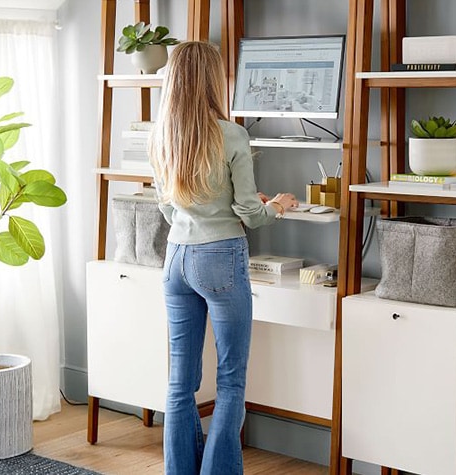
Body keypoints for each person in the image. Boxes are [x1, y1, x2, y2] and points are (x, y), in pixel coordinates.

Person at [148, 41, 298, 475]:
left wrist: (206, 211)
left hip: (176, 258)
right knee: (230, 380)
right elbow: (251, 214)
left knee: (180, 384)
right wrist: (279, 206)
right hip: (220, 258)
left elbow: (167, 205)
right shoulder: (232, 134)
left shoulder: (162, 135)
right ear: (213, 80)